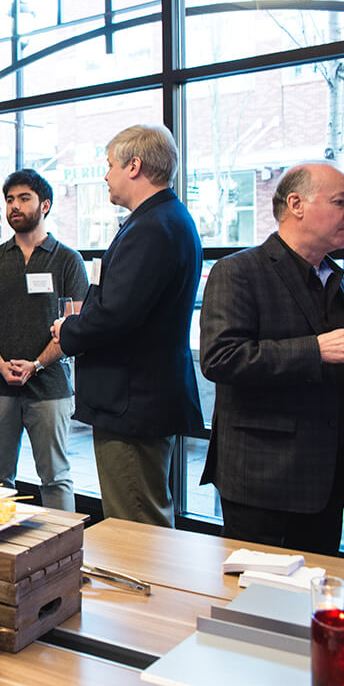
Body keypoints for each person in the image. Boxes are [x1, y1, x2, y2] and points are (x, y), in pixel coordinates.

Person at [199, 162, 344, 555]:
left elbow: (339, 363)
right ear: (296, 204)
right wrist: (317, 349)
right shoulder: (238, 272)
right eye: (341, 202)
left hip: (328, 479)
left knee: (313, 599)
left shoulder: (336, 279)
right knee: (255, 605)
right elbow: (220, 358)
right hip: (265, 481)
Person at [51, 125, 203, 527]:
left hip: (133, 402)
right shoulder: (164, 219)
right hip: (143, 396)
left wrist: (68, 331)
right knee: (144, 513)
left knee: (136, 525)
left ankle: (151, 593)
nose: (105, 176)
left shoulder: (152, 228)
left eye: (110, 165)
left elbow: (117, 315)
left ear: (134, 166)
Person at [0, 169, 87, 511]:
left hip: (50, 387)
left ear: (45, 205)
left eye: (24, 198)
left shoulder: (68, 260)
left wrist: (36, 364)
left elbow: (75, 326)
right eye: (9, 200)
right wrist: (0, 363)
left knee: (56, 478)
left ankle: (61, 556)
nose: (14, 206)